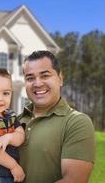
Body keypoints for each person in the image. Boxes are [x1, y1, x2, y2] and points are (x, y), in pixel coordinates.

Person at [19, 50, 95, 183]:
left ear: (60, 79)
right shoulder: (16, 121)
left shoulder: (76, 122)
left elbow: (73, 180)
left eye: (45, 76)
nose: (37, 83)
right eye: (30, 78)